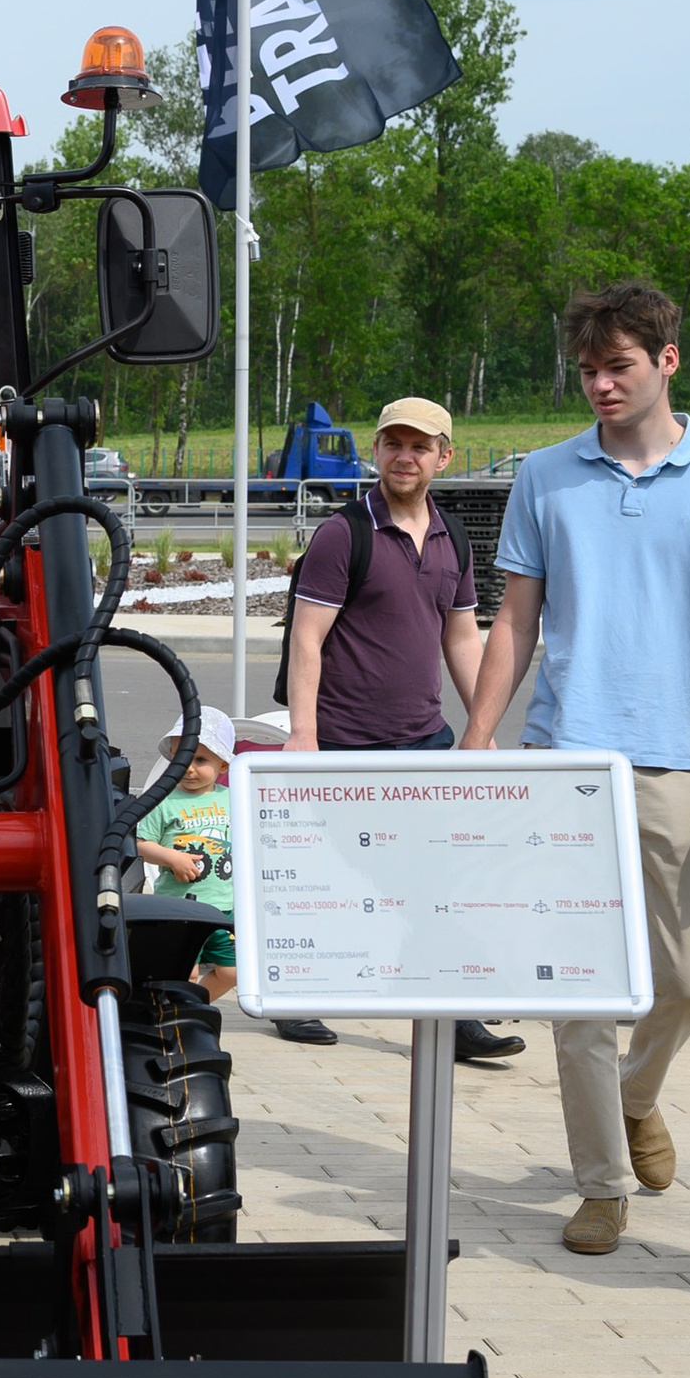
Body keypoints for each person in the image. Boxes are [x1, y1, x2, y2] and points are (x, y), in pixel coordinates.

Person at [462, 284, 690, 1255]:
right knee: (579, 988)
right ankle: (599, 1182)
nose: (599, 384)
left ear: (667, 360)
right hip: (564, 755)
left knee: (687, 976)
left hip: (677, 759)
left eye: (619, 367)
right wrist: (478, 735)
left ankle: (638, 1098)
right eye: (588, 370)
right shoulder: (546, 478)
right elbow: (514, 619)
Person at [277, 393, 521, 1071]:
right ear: (378, 451)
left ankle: (449, 1011)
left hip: (425, 738)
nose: (404, 456)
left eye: (420, 446)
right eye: (393, 443)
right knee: (342, 874)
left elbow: (462, 640)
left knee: (446, 872)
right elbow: (307, 639)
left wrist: (483, 727)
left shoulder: (454, 538)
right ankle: (298, 990)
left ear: (444, 456)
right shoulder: (342, 534)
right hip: (348, 740)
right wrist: (304, 733)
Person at [135, 704, 238, 1001]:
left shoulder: (233, 798)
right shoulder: (163, 799)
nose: (189, 768)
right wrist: (172, 858)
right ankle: (173, 1011)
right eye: (182, 758)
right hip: (177, 906)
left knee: (232, 971)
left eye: (201, 759)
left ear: (223, 765)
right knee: (185, 970)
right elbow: (141, 843)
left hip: (224, 906)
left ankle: (193, 1004)